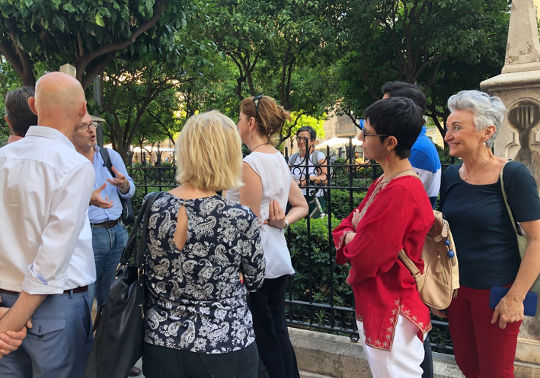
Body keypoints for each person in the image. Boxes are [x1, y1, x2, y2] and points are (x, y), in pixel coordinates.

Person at [142, 110, 266, 378]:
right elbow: (256, 281)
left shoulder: (153, 206)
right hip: (226, 343)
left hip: (162, 342)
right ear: (229, 155)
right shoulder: (238, 216)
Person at [0, 72, 95, 377]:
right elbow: (52, 259)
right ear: (83, 109)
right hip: (56, 308)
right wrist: (12, 322)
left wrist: (6, 321)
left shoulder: (3, 158)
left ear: (33, 105)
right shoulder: (75, 166)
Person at [439, 90, 540, 378]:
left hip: (497, 294)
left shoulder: (513, 175)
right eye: (448, 128)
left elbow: (537, 239)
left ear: (487, 132)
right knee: (468, 367)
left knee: (495, 372)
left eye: (457, 127)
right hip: (457, 293)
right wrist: (439, 288)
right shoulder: (449, 176)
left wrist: (515, 297)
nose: (448, 135)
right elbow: (444, 233)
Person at [332, 97, 433, 377]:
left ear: (389, 142)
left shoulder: (401, 191)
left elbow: (368, 256)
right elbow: (347, 225)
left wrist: (353, 237)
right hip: (380, 300)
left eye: (367, 132)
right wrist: (355, 234)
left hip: (391, 305)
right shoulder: (384, 181)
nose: (361, 138)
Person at [226, 95, 308, 378]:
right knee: (277, 332)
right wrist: (282, 222)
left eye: (238, 118)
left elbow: (245, 224)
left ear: (250, 122)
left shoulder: (251, 163)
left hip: (256, 265)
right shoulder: (278, 159)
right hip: (277, 258)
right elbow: (303, 206)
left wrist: (239, 270)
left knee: (265, 336)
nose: (236, 124)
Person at [71, 114, 140, 377]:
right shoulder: (70, 161)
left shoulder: (109, 157)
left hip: (117, 232)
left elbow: (130, 189)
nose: (92, 131)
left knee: (113, 298)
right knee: (85, 300)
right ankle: (87, 357)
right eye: (86, 126)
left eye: (93, 126)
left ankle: (112, 355)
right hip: (90, 235)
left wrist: (124, 185)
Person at [381, 80, 439, 378]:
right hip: (408, 251)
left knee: (411, 336)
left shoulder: (415, 151)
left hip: (407, 254)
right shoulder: (419, 147)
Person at [382, 81, 441, 207]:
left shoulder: (417, 149)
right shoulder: (413, 144)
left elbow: (397, 203)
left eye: (384, 108)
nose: (379, 113)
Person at [288, 126, 328, 215]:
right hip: (295, 198)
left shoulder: (318, 156)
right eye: (299, 138)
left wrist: (308, 180)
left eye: (305, 138)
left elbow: (325, 178)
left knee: (314, 226)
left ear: (312, 141)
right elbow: (285, 177)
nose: (301, 141)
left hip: (313, 198)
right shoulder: (292, 158)